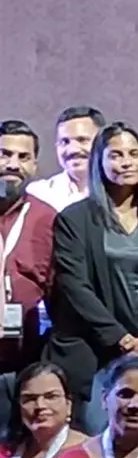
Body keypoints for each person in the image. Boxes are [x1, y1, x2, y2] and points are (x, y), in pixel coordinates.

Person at [44, 121, 138, 433]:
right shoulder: (75, 219)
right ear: (99, 161)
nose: (126, 162)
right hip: (97, 350)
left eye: (134, 154)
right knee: (97, 440)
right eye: (116, 155)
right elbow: (75, 287)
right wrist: (121, 339)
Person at [0, 121, 55, 377]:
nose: (13, 164)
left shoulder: (46, 220)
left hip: (22, 361)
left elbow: (59, 297)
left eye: (23, 157)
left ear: (34, 166)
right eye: (5, 154)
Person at [26, 105, 104, 212]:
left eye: (82, 140)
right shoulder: (38, 194)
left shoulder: (119, 192)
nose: (72, 150)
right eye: (64, 142)